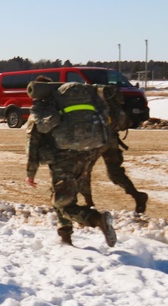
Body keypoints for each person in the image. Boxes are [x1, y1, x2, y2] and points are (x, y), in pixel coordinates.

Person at [24, 77, 117, 247]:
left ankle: (97, 219)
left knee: (62, 203)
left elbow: (33, 143)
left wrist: (30, 173)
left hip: (63, 159)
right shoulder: (66, 106)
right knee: (62, 195)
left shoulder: (43, 111)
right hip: (87, 154)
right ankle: (65, 238)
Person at [78, 85, 148, 214]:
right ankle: (137, 195)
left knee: (84, 171)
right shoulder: (110, 105)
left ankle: (89, 204)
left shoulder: (91, 103)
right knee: (115, 172)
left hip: (98, 141)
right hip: (112, 141)